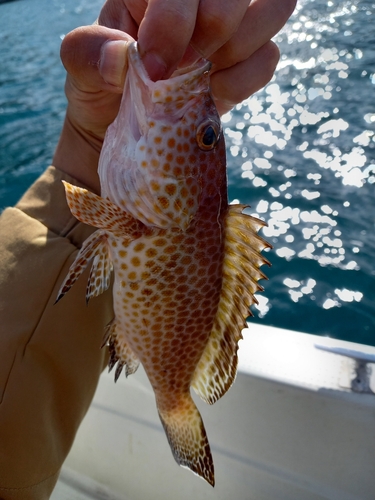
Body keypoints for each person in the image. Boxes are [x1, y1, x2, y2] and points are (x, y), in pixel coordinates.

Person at [0, 0, 296, 497]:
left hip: (143, 313)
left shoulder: (143, 214)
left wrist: (80, 163)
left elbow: (96, 218)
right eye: (210, 135)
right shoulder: (150, 213)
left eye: (204, 136)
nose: (202, 123)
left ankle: (174, 402)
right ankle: (175, 402)